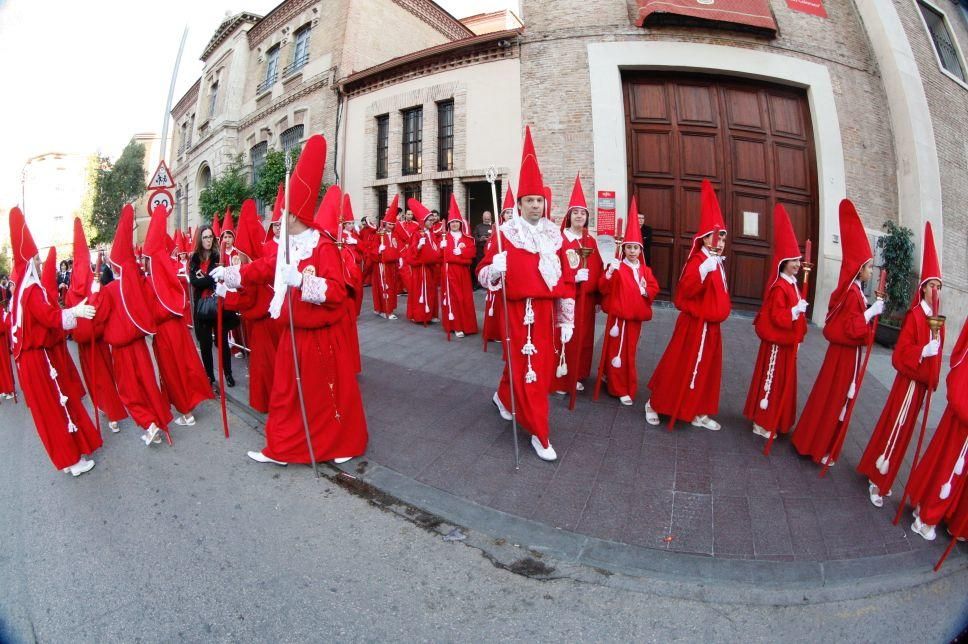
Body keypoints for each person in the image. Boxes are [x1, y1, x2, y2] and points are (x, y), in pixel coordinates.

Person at [212, 134, 368, 466]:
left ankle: (342, 443)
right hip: (290, 335)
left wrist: (303, 281)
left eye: (284, 214)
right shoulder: (287, 245)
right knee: (286, 395)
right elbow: (261, 268)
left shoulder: (322, 247)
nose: (279, 219)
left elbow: (338, 291)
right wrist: (229, 274)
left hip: (318, 337)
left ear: (296, 217)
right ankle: (282, 448)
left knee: (326, 397)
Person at [478, 126, 576, 461]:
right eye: (529, 200)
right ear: (520, 203)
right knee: (529, 369)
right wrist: (496, 268)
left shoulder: (556, 236)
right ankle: (540, 432)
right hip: (519, 311)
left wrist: (567, 318)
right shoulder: (505, 234)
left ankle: (504, 398)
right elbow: (482, 273)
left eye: (539, 200)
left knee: (539, 368)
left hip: (547, 313)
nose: (535, 205)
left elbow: (566, 279)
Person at [8, 207, 102, 475]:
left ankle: (71, 454)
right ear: (29, 265)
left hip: (33, 360)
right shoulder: (32, 291)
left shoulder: (23, 293)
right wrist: (77, 311)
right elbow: (51, 318)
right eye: (36, 260)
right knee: (53, 410)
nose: (39, 264)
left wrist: (76, 310)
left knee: (52, 409)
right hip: (36, 360)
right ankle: (70, 460)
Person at [857, 223, 944, 507]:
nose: (936, 290)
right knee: (893, 427)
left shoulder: (936, 322)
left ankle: (887, 475)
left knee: (905, 434)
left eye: (939, 286)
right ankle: (877, 477)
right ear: (923, 288)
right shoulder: (916, 316)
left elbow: (938, 358)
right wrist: (922, 352)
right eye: (933, 285)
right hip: (906, 384)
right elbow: (900, 355)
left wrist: (932, 377)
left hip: (918, 387)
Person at [792, 199, 883, 467]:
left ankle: (820, 444)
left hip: (847, 357)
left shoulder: (855, 293)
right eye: (867, 267)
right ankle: (816, 445)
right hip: (842, 357)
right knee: (831, 399)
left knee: (834, 398)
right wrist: (869, 314)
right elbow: (848, 328)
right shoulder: (851, 295)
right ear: (858, 268)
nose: (870, 271)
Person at [645, 179, 730, 430]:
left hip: (712, 327)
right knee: (679, 366)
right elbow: (686, 291)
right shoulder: (698, 262)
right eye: (716, 238)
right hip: (694, 325)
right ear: (704, 239)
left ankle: (696, 410)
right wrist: (703, 270)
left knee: (706, 370)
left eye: (723, 238)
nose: (720, 243)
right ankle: (654, 404)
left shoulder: (718, 262)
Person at [99, 205, 174, 446]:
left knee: (129, 393)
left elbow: (97, 319)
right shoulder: (137, 285)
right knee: (149, 386)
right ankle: (157, 421)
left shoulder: (108, 290)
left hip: (121, 351)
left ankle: (150, 424)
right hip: (140, 345)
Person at [144, 204, 215, 426]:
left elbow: (150, 309)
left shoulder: (153, 274)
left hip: (165, 332)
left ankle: (186, 412)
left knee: (172, 371)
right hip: (178, 327)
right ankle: (189, 406)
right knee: (185, 365)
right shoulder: (164, 268)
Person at [743, 205, 808, 443]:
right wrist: (793, 311)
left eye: (798, 261)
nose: (797, 265)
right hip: (776, 345)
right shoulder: (780, 287)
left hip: (788, 345)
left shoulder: (792, 284)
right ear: (783, 263)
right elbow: (776, 316)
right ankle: (762, 421)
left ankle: (776, 420)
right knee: (771, 380)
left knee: (783, 381)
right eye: (793, 261)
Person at [901, 317, 967, 541]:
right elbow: (959, 389)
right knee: (947, 469)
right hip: (960, 426)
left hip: (960, 423)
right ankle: (926, 516)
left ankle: (938, 515)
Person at [65, 217, 127, 432]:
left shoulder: (91, 288)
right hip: (87, 343)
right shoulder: (75, 293)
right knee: (98, 377)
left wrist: (95, 297)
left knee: (102, 377)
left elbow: (102, 312)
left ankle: (111, 411)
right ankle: (105, 408)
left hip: (97, 341)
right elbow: (75, 318)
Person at [220, 199, 280, 413]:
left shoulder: (254, 268)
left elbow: (248, 300)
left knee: (266, 367)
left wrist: (226, 296)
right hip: (270, 322)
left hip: (264, 325)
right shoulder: (259, 262)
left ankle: (272, 404)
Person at [596, 198, 658, 405]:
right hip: (617, 320)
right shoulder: (617, 266)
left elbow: (653, 288)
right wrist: (609, 272)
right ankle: (618, 387)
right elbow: (603, 288)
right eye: (629, 247)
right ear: (624, 249)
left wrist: (644, 290)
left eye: (636, 248)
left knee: (628, 352)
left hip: (634, 319)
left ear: (641, 250)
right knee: (617, 351)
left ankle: (615, 379)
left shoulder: (645, 270)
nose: (632, 251)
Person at [552, 175, 603, 396]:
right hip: (567, 297)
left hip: (587, 300)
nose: (579, 216)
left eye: (583, 213)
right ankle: (562, 376)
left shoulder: (590, 241)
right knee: (566, 337)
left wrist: (600, 293)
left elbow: (598, 268)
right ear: (569, 216)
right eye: (576, 212)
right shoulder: (560, 240)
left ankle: (578, 373)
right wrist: (573, 278)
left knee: (584, 339)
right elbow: (553, 270)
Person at [189, 224, 236, 389]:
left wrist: (206, 278)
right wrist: (211, 277)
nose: (208, 240)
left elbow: (223, 278)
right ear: (200, 240)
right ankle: (209, 375)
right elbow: (195, 282)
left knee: (222, 342)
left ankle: (228, 373)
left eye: (210, 237)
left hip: (218, 304)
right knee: (205, 344)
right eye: (205, 237)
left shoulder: (219, 256)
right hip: (202, 307)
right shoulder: (194, 258)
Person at [439, 194, 478, 339]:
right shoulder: (444, 238)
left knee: (465, 299)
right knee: (454, 298)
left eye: (457, 222)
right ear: (448, 224)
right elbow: (443, 258)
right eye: (452, 223)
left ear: (460, 223)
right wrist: (443, 249)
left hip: (463, 273)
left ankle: (468, 325)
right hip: (449, 273)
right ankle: (455, 326)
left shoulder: (467, 239)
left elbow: (471, 256)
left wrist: (459, 253)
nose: (455, 225)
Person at [481, 186, 514, 349]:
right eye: (507, 212)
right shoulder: (499, 231)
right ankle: (497, 332)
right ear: (503, 215)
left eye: (512, 212)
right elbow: (490, 248)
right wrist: (496, 262)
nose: (510, 215)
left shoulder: (519, 231)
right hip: (500, 270)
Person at [403, 198, 442, 325]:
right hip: (420, 269)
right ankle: (419, 315)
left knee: (431, 291)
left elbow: (435, 248)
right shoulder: (417, 234)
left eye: (432, 220)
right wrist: (418, 246)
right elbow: (411, 252)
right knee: (419, 291)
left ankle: (430, 313)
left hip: (430, 268)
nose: (432, 222)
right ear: (423, 221)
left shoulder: (431, 234)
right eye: (429, 220)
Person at [369, 196, 401, 320]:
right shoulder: (378, 235)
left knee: (392, 287)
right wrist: (378, 250)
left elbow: (396, 248)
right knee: (383, 286)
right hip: (381, 265)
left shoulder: (394, 235)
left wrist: (399, 258)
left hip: (392, 265)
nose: (391, 226)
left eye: (393, 224)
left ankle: (389, 308)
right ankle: (384, 309)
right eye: (389, 224)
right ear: (385, 223)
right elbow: (371, 250)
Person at [473, 210, 493, 290]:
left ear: (491, 218)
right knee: (479, 266)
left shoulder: (494, 226)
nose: (486, 220)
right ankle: (479, 283)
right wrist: (480, 239)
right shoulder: (478, 227)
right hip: (480, 250)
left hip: (490, 251)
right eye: (485, 219)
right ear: (482, 218)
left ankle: (490, 282)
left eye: (488, 219)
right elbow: (474, 237)